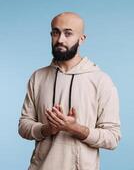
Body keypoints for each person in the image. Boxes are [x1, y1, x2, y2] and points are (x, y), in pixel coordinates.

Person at [18, 12, 121, 170]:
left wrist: (74, 128)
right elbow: (24, 126)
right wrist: (47, 129)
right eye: (55, 32)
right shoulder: (38, 77)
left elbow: (112, 138)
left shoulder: (101, 81)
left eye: (68, 33)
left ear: (81, 39)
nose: (60, 39)